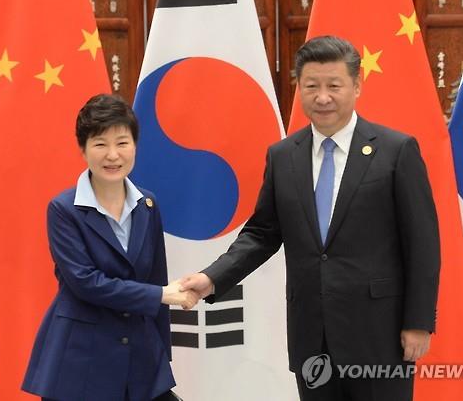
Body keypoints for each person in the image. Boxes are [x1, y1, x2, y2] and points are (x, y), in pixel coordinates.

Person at [181, 35, 440, 401]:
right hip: (311, 336)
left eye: (334, 86)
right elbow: (262, 233)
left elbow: (423, 244)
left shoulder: (396, 151)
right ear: (299, 87)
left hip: (379, 334)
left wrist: (418, 322)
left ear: (357, 86)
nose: (322, 97)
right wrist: (211, 278)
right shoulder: (284, 155)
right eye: (311, 86)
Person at [22, 94, 197, 401]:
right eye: (100, 144)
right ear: (83, 149)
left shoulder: (148, 204)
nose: (113, 155)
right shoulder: (64, 209)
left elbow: (156, 275)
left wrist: (160, 355)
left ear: (135, 146)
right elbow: (86, 283)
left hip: (140, 358)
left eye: (122, 142)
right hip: (81, 360)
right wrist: (160, 295)